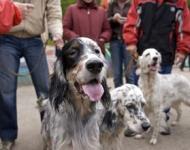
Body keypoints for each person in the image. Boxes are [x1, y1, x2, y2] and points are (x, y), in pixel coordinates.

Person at [0, 0, 63, 149]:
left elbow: (54, 11)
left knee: (45, 90)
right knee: (5, 90)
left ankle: (50, 133)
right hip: (6, 38)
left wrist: (57, 33)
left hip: (35, 39)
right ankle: (7, 136)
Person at [123, 0, 190, 78]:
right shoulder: (139, 1)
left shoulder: (180, 2)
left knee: (163, 89)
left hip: (165, 56)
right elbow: (132, 22)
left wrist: (182, 50)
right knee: (139, 88)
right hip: (143, 55)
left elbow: (183, 29)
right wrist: (131, 42)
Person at [107, 0, 134, 87]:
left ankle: (132, 96)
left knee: (129, 74)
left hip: (128, 42)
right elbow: (106, 21)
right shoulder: (111, 4)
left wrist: (129, 20)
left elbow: (137, 19)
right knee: (117, 74)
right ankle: (119, 97)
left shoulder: (132, 4)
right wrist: (114, 19)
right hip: (115, 41)